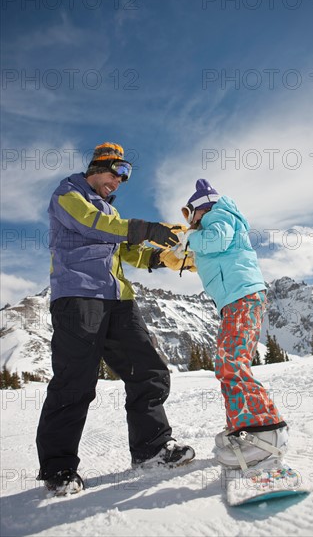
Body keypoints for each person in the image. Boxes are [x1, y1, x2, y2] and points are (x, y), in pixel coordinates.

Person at [36, 142, 195, 496]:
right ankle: (59, 469)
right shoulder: (68, 195)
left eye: (124, 176)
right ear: (97, 168)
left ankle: (151, 449)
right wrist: (146, 227)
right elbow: (95, 225)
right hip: (78, 297)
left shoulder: (110, 212)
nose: (118, 182)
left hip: (118, 301)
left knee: (149, 372)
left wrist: (161, 259)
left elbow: (127, 248)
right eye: (115, 172)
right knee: (74, 382)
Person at [178, 179, 288, 472]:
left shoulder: (219, 216)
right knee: (227, 363)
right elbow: (213, 252)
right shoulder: (215, 223)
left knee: (231, 363)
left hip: (242, 296)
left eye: (191, 214)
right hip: (237, 299)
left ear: (201, 208)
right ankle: (244, 427)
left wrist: (190, 239)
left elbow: (216, 240)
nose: (191, 222)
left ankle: (265, 430)